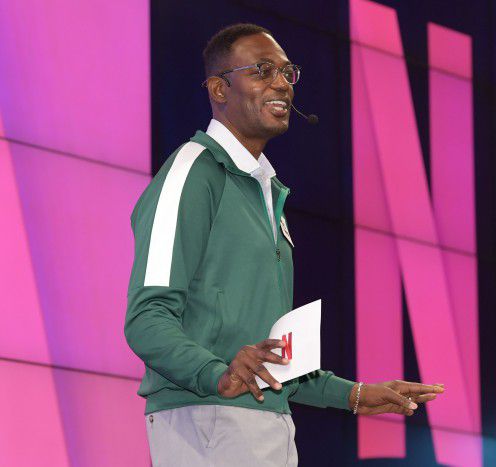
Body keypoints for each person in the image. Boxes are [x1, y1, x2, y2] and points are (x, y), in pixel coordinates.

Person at [124, 23, 444, 466]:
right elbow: (146, 318)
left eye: (287, 72)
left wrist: (354, 395)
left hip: (267, 422)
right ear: (219, 88)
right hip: (206, 417)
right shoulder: (191, 172)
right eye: (262, 70)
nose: (282, 84)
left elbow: (270, 362)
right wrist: (215, 374)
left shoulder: (266, 189)